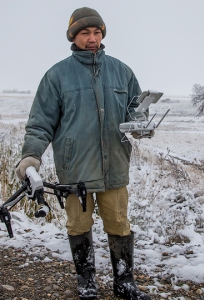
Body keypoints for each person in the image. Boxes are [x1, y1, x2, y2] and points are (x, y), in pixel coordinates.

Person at [15, 7, 152, 300]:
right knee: (78, 224)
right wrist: (31, 157)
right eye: (85, 33)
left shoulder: (122, 71)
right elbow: (40, 123)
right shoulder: (56, 75)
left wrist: (141, 124)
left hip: (114, 166)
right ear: (73, 36)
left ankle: (124, 282)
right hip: (74, 171)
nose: (92, 38)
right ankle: (87, 282)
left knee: (119, 223)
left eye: (97, 32)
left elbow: (137, 110)